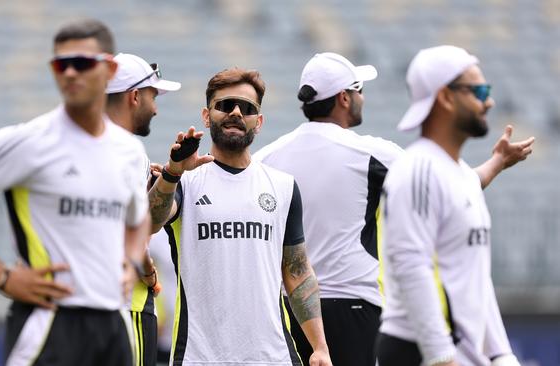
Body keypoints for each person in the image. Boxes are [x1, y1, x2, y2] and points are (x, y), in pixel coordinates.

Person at [254, 52, 534, 366]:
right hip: (356, 307)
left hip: (292, 309)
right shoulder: (372, 153)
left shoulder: (267, 157)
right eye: (359, 90)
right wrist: (498, 162)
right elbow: (452, 186)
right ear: (344, 98)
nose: (363, 97)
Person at [0, 19, 151, 366]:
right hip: (52, 322)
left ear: (109, 69)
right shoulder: (29, 141)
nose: (70, 73)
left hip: (114, 324)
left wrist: (131, 261)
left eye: (82, 63)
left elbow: (138, 218)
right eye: (61, 64)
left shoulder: (129, 151)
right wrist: (1, 275)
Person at [147, 67, 332, 365]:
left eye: (246, 108)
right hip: (200, 357)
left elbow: (297, 272)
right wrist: (171, 173)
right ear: (206, 116)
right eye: (224, 105)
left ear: (258, 122)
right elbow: (152, 221)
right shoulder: (184, 181)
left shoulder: (283, 186)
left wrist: (320, 346)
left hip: (272, 357)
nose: (235, 112)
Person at [377, 45, 530, 366]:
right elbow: (410, 265)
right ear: (445, 97)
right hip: (420, 352)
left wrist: (501, 354)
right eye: (479, 90)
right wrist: (441, 357)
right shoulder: (417, 169)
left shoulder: (459, 174)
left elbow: (473, 274)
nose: (488, 101)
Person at [105, 53, 181, 366]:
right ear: (134, 96)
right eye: (152, 96)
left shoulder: (81, 142)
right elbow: (133, 229)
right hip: (127, 305)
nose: (156, 108)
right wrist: (148, 270)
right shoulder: (129, 151)